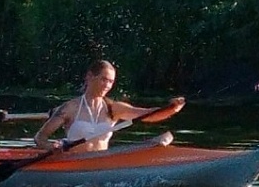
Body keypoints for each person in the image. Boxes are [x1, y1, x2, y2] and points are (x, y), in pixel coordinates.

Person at [33, 60, 185, 153]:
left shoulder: (113, 108)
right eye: (103, 79)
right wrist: (51, 148)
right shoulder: (70, 108)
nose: (107, 85)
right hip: (75, 163)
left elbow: (148, 115)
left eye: (111, 81)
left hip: (101, 162)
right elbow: (40, 138)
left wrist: (172, 108)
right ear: (89, 77)